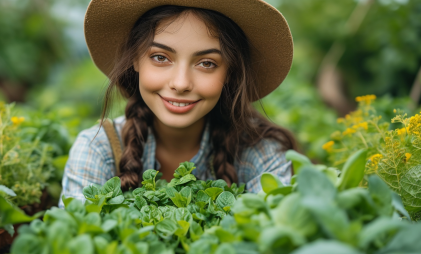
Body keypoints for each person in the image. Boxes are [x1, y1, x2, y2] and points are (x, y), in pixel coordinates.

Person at [59, 0, 297, 207]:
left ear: (230, 73)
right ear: (135, 59)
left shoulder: (261, 154)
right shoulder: (97, 150)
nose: (181, 83)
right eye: (160, 57)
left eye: (206, 63)